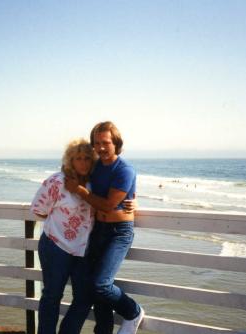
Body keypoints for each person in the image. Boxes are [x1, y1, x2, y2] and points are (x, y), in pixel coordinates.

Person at [66, 121, 144, 334]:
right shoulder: (96, 166)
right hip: (98, 229)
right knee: (95, 291)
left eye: (106, 142)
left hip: (119, 232)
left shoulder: (125, 170)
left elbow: (109, 205)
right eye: (97, 143)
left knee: (101, 284)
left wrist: (80, 191)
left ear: (116, 142)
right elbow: (73, 170)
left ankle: (133, 311)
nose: (101, 147)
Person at [30, 138, 96, 334]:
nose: (83, 163)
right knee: (52, 296)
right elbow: (38, 209)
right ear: (70, 160)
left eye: (87, 158)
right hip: (55, 245)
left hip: (83, 249)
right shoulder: (57, 181)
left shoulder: (94, 183)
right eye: (78, 158)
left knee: (84, 297)